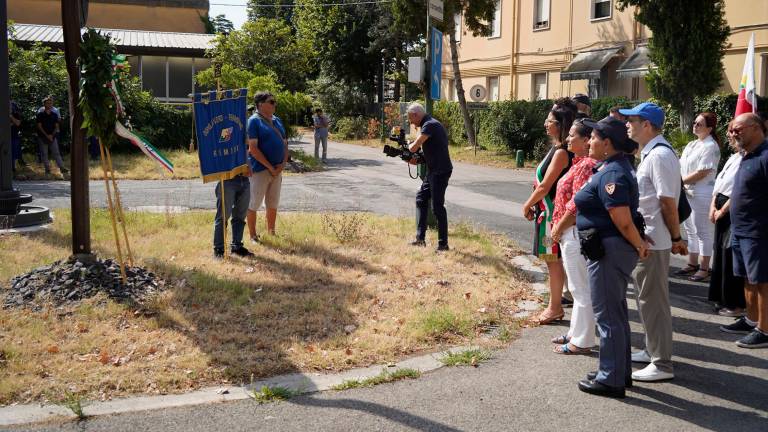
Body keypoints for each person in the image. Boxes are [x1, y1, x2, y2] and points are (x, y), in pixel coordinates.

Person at [574, 116, 648, 398]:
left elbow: (623, 220)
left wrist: (639, 244)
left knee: (608, 315)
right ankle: (618, 370)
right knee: (615, 313)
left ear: (607, 143)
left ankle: (611, 379)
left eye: (592, 137)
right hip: (610, 248)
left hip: (609, 250)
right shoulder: (613, 167)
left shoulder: (612, 174)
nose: (589, 141)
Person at [620, 102, 686, 382]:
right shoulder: (651, 153)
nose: (627, 125)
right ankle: (651, 350)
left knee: (654, 302)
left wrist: (675, 238)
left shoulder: (659, 156)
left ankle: (662, 363)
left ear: (646, 124)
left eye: (631, 120)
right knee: (646, 299)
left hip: (656, 240)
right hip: (649, 239)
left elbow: (667, 202)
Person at [521, 103, 575, 324]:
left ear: (560, 125)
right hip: (546, 212)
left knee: (553, 260)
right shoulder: (557, 149)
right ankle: (554, 304)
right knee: (552, 259)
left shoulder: (562, 152)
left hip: (551, 215)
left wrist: (526, 205)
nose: (545, 124)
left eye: (550, 121)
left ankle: (555, 307)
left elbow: (545, 186)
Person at [720, 113, 768, 349]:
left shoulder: (766, 156)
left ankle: (765, 330)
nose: (733, 133)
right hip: (740, 229)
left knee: (763, 281)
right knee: (748, 278)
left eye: (738, 129)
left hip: (759, 231)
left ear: (757, 128)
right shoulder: (746, 155)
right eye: (732, 129)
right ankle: (752, 319)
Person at [550, 119, 598, 354]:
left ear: (586, 140)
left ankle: (583, 340)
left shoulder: (587, 165)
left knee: (580, 289)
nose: (568, 139)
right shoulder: (579, 163)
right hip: (570, 232)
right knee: (578, 286)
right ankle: (575, 332)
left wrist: (558, 228)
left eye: (572, 135)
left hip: (574, 232)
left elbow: (577, 204)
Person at [676, 112, 721, 282]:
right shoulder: (692, 144)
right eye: (695, 122)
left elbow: (702, 172)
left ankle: (704, 268)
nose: (695, 125)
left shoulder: (711, 146)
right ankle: (692, 263)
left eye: (700, 124)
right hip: (687, 192)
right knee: (690, 229)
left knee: (703, 231)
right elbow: (682, 166)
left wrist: (679, 182)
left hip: (702, 193)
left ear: (709, 128)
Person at [708, 122, 745, 317]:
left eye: (735, 132)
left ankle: (734, 302)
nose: (730, 135)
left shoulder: (746, 159)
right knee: (720, 254)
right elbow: (720, 183)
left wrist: (722, 210)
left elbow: (738, 189)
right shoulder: (733, 157)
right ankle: (720, 297)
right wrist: (713, 204)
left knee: (730, 256)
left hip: (731, 210)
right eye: (730, 131)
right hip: (720, 206)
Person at [406, 103, 453, 251]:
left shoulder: (429, 125)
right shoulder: (429, 124)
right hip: (433, 171)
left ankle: (443, 244)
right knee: (421, 198)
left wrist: (407, 147)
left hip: (440, 171)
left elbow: (415, 146)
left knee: (438, 207)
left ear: (416, 115)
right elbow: (430, 150)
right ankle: (420, 239)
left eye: (411, 119)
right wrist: (416, 159)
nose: (411, 123)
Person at [246, 92, 288, 242]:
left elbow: (284, 143)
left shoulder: (277, 120)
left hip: (277, 170)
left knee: (273, 202)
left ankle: (271, 232)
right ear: (260, 104)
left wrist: (282, 165)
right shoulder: (253, 121)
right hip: (260, 170)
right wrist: (270, 167)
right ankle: (252, 236)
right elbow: (253, 149)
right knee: (253, 203)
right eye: (271, 101)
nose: (274, 104)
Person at [212, 173, 253, 259]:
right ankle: (219, 249)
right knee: (223, 217)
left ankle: (237, 247)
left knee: (240, 216)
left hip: (244, 180)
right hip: (227, 179)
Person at [36, 96, 67, 175]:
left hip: (52, 137)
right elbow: (39, 126)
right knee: (44, 154)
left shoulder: (54, 114)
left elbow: (56, 126)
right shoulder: (40, 114)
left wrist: (51, 135)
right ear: (44, 104)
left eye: (50, 103)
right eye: (47, 103)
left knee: (56, 153)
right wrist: (47, 135)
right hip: (42, 137)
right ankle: (47, 169)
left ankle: (62, 168)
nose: (49, 105)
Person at [10, 100, 24, 171]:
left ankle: (13, 168)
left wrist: (10, 116)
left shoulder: (15, 110)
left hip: (14, 134)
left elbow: (18, 123)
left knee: (14, 152)